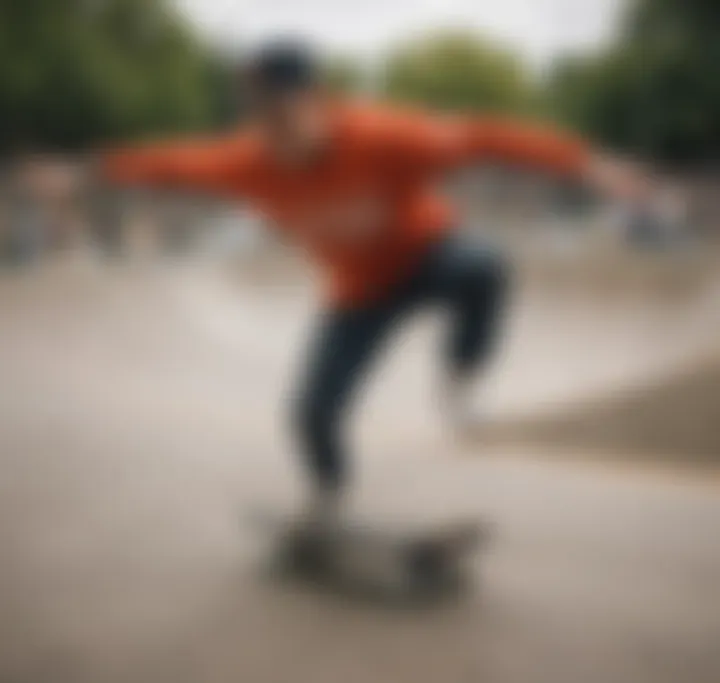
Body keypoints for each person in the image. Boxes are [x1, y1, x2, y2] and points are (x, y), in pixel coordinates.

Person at [94, 40, 653, 529]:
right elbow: (164, 163)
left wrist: (588, 165)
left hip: (428, 256)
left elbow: (486, 137)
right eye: (261, 119)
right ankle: (328, 496)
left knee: (483, 266)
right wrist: (81, 172)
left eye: (284, 115)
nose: (275, 134)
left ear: (318, 101)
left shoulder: (385, 136)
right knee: (311, 414)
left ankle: (462, 374)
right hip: (359, 293)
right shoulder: (242, 162)